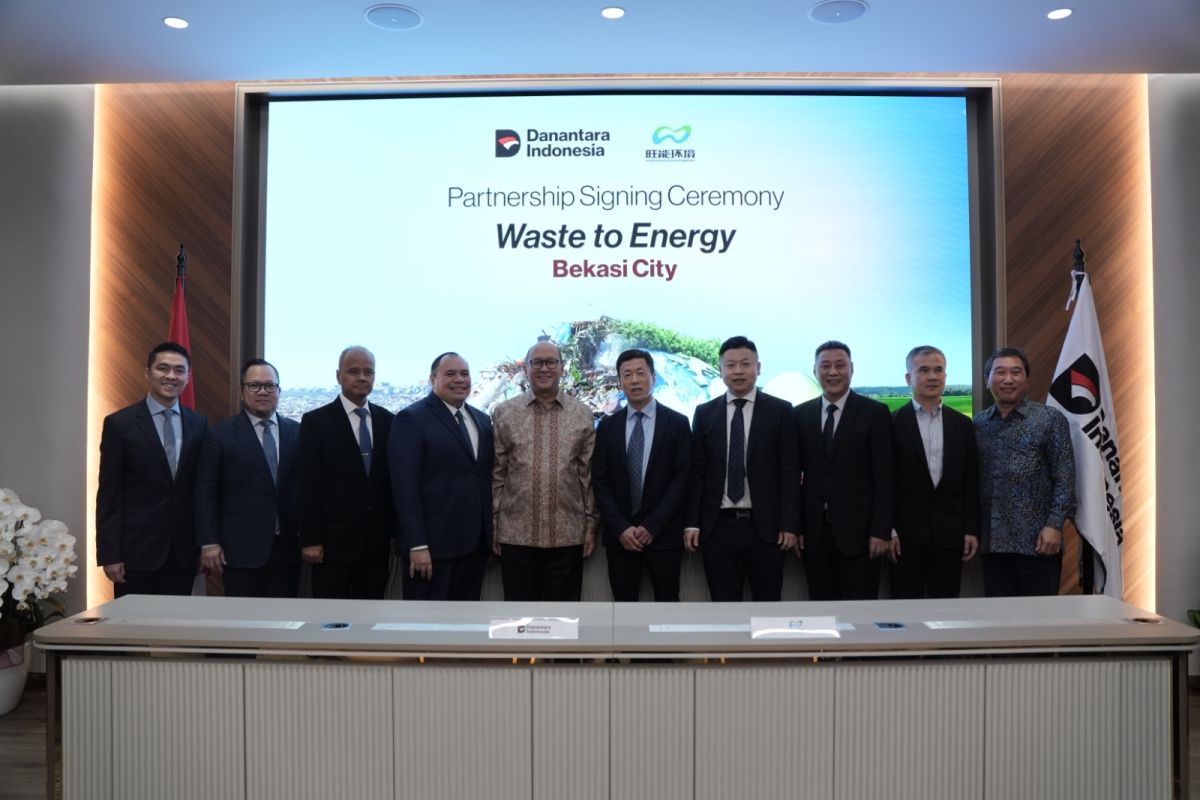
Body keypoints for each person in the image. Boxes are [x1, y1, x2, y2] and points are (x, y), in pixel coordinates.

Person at [685, 336, 799, 601]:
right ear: (720, 370)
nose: (738, 371)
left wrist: (790, 524)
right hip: (718, 528)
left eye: (745, 364)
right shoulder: (704, 413)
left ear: (758, 367)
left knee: (768, 605)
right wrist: (692, 523)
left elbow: (790, 473)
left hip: (767, 528)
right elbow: (697, 473)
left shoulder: (781, 411)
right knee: (724, 607)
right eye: (731, 365)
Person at [96, 341, 208, 596]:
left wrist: (203, 544)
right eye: (163, 368)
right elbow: (109, 495)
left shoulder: (199, 424)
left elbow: (201, 491)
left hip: (182, 553)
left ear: (188, 377)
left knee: (175, 620)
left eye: (179, 370)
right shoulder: (120, 424)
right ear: (148, 373)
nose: (171, 376)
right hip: (135, 553)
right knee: (132, 620)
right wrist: (110, 554)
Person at [491, 340, 598, 601]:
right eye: (536, 362)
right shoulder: (504, 413)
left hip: (567, 536)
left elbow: (587, 475)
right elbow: (497, 474)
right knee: (518, 618)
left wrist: (591, 526)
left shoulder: (582, 414)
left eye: (551, 362)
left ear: (562, 367)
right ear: (525, 369)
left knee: (563, 618)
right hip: (515, 535)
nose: (544, 368)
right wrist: (494, 526)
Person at [388, 352, 494, 601]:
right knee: (427, 622)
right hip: (431, 551)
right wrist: (417, 544)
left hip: (474, 548)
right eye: (450, 374)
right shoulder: (411, 419)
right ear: (432, 379)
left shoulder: (482, 420)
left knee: (467, 620)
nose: (460, 379)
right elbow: (405, 488)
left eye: (464, 373)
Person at [794, 341, 893, 601]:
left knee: (861, 613)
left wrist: (881, 530)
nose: (833, 372)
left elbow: (885, 477)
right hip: (815, 537)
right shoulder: (800, 415)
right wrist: (798, 527)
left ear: (852, 368)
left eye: (840, 365)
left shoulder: (874, 413)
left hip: (861, 536)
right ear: (815, 371)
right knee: (822, 611)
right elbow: (794, 476)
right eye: (825, 366)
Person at [974, 346, 1076, 597]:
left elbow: (1065, 477)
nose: (1008, 379)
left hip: (1038, 543)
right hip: (993, 545)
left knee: (1040, 616)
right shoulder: (979, 424)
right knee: (999, 616)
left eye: (1016, 372)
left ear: (1027, 380)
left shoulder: (1049, 419)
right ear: (987, 380)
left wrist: (1054, 526)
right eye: (1000, 372)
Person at [195, 358, 301, 598]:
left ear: (279, 391)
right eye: (254, 385)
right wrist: (209, 542)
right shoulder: (220, 435)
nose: (263, 391)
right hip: (240, 550)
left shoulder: (296, 431)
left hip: (288, 550)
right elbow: (206, 493)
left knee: (285, 616)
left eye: (270, 386)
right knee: (241, 617)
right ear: (241, 391)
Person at [295, 346, 395, 599]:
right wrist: (310, 539)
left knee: (372, 614)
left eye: (368, 372)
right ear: (339, 376)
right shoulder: (316, 422)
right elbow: (307, 485)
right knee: (330, 616)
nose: (362, 377)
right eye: (353, 371)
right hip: (331, 546)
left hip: (376, 545)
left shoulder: (388, 420)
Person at [592, 349, 691, 601]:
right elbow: (600, 481)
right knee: (622, 610)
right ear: (619, 382)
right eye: (627, 375)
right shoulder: (607, 427)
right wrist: (621, 528)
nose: (634, 380)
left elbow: (683, 479)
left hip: (664, 536)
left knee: (667, 606)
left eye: (640, 373)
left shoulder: (678, 423)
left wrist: (653, 525)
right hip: (620, 538)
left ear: (653, 377)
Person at [888, 346, 979, 599]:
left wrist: (971, 529)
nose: (932, 376)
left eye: (938, 370)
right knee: (905, 610)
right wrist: (889, 530)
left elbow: (970, 481)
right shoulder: (890, 423)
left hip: (951, 536)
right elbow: (885, 482)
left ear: (945, 376)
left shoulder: (963, 425)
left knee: (946, 610)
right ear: (909, 378)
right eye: (924, 370)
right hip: (904, 538)